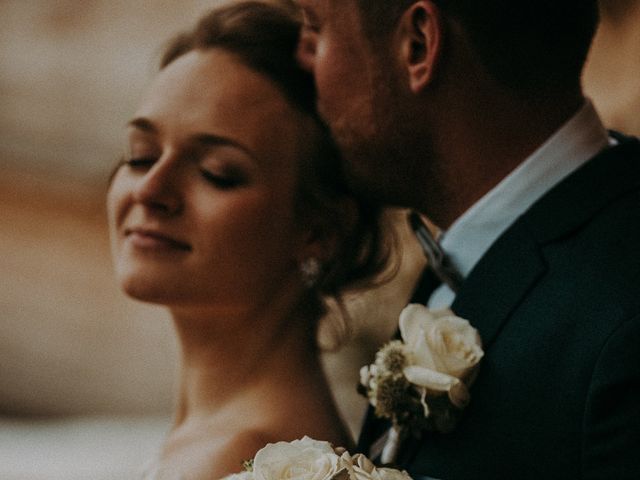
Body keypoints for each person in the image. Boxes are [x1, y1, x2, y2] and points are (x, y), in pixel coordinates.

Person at [296, 0, 640, 478]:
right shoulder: (464, 257)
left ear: (418, 45)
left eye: (316, 28)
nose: (303, 57)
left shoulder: (622, 329)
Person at [107, 1, 391, 478]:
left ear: (320, 231)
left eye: (218, 173)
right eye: (141, 155)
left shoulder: (251, 461)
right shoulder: (213, 439)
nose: (150, 189)